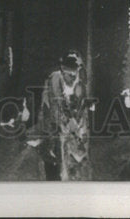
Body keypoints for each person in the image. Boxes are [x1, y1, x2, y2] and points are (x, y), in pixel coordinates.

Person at [38, 51, 92, 180]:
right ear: (63, 69)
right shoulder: (55, 78)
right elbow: (56, 103)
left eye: (76, 71)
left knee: (76, 161)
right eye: (70, 73)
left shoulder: (79, 81)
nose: (74, 76)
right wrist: (69, 120)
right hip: (55, 122)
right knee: (57, 159)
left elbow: (81, 103)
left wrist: (78, 125)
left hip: (73, 126)